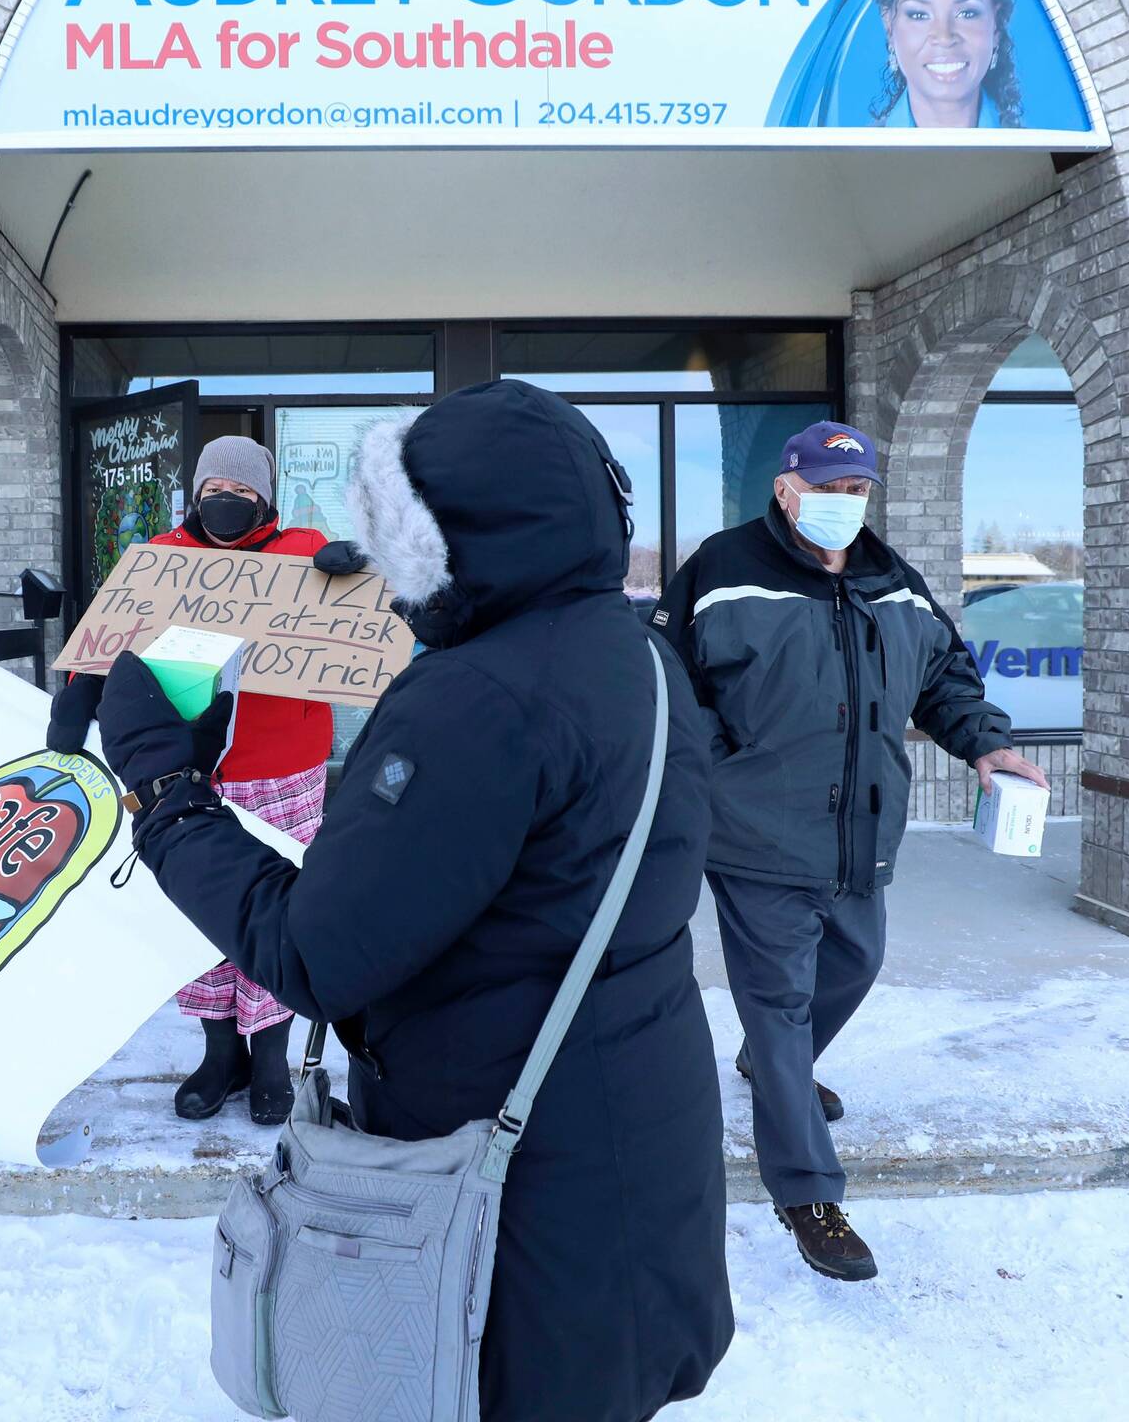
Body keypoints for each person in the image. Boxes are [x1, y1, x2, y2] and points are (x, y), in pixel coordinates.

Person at [81, 383, 732, 1422]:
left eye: (401, 543)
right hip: (632, 1127)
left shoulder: (476, 697)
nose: (387, 585)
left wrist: (162, 790)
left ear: (457, 538)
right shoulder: (636, 652)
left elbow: (312, 955)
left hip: (506, 1180)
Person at [651, 421, 1047, 1281]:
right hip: (754, 833)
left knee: (856, 964)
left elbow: (945, 675)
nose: (843, 503)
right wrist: (722, 758)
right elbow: (667, 676)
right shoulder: (721, 570)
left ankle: (768, 1063)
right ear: (786, 489)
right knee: (780, 1001)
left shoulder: (890, 581)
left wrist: (987, 744)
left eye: (856, 488)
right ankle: (809, 1196)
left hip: (861, 832)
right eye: (827, 487)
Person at [49, 435, 332, 1127]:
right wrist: (80, 691)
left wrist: (346, 576)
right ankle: (219, 1054)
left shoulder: (304, 552)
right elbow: (112, 641)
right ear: (195, 496)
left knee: (279, 912)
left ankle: (271, 1057)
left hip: (283, 766)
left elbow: (353, 618)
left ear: (263, 499)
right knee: (205, 913)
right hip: (189, 769)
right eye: (212, 492)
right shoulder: (162, 559)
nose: (224, 503)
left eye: (239, 494)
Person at [870, 0, 1024, 129]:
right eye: (919, 15)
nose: (944, 36)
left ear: (996, 24)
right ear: (889, 25)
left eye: (967, 13)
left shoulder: (1033, 146)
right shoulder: (851, 156)